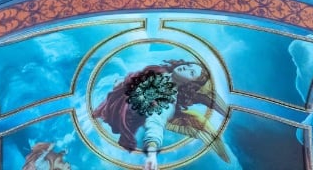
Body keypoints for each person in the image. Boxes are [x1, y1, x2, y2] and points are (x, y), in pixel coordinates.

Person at [92, 60, 229, 170]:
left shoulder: (168, 99)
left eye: (191, 72)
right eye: (188, 65)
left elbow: (156, 123)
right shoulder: (158, 71)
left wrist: (151, 155)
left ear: (190, 84)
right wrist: (122, 82)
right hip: (108, 105)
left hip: (119, 118)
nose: (185, 68)